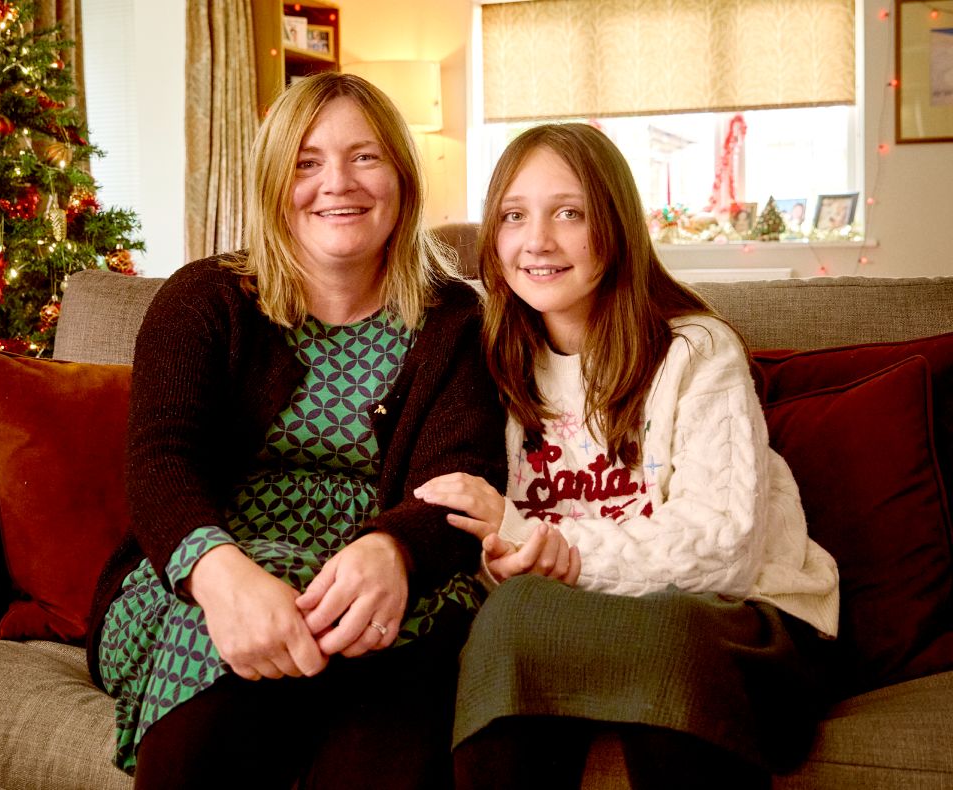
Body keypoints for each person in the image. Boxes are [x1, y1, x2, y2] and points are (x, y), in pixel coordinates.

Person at [85, 72, 506, 790]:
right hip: (203, 576)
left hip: (382, 592)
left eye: (365, 157)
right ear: (274, 183)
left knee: (414, 668)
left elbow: (461, 474)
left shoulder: (457, 321)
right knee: (215, 653)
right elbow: (161, 462)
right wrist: (222, 579)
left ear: (402, 178)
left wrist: (395, 550)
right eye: (307, 162)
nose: (337, 183)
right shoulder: (202, 299)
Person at [413, 123, 839, 789]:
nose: (538, 241)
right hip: (582, 626)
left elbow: (721, 550)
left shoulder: (694, 351)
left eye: (570, 213)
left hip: (744, 625)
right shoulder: (490, 357)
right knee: (510, 617)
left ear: (612, 226)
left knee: (656, 629)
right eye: (514, 216)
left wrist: (558, 549)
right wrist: (508, 556)